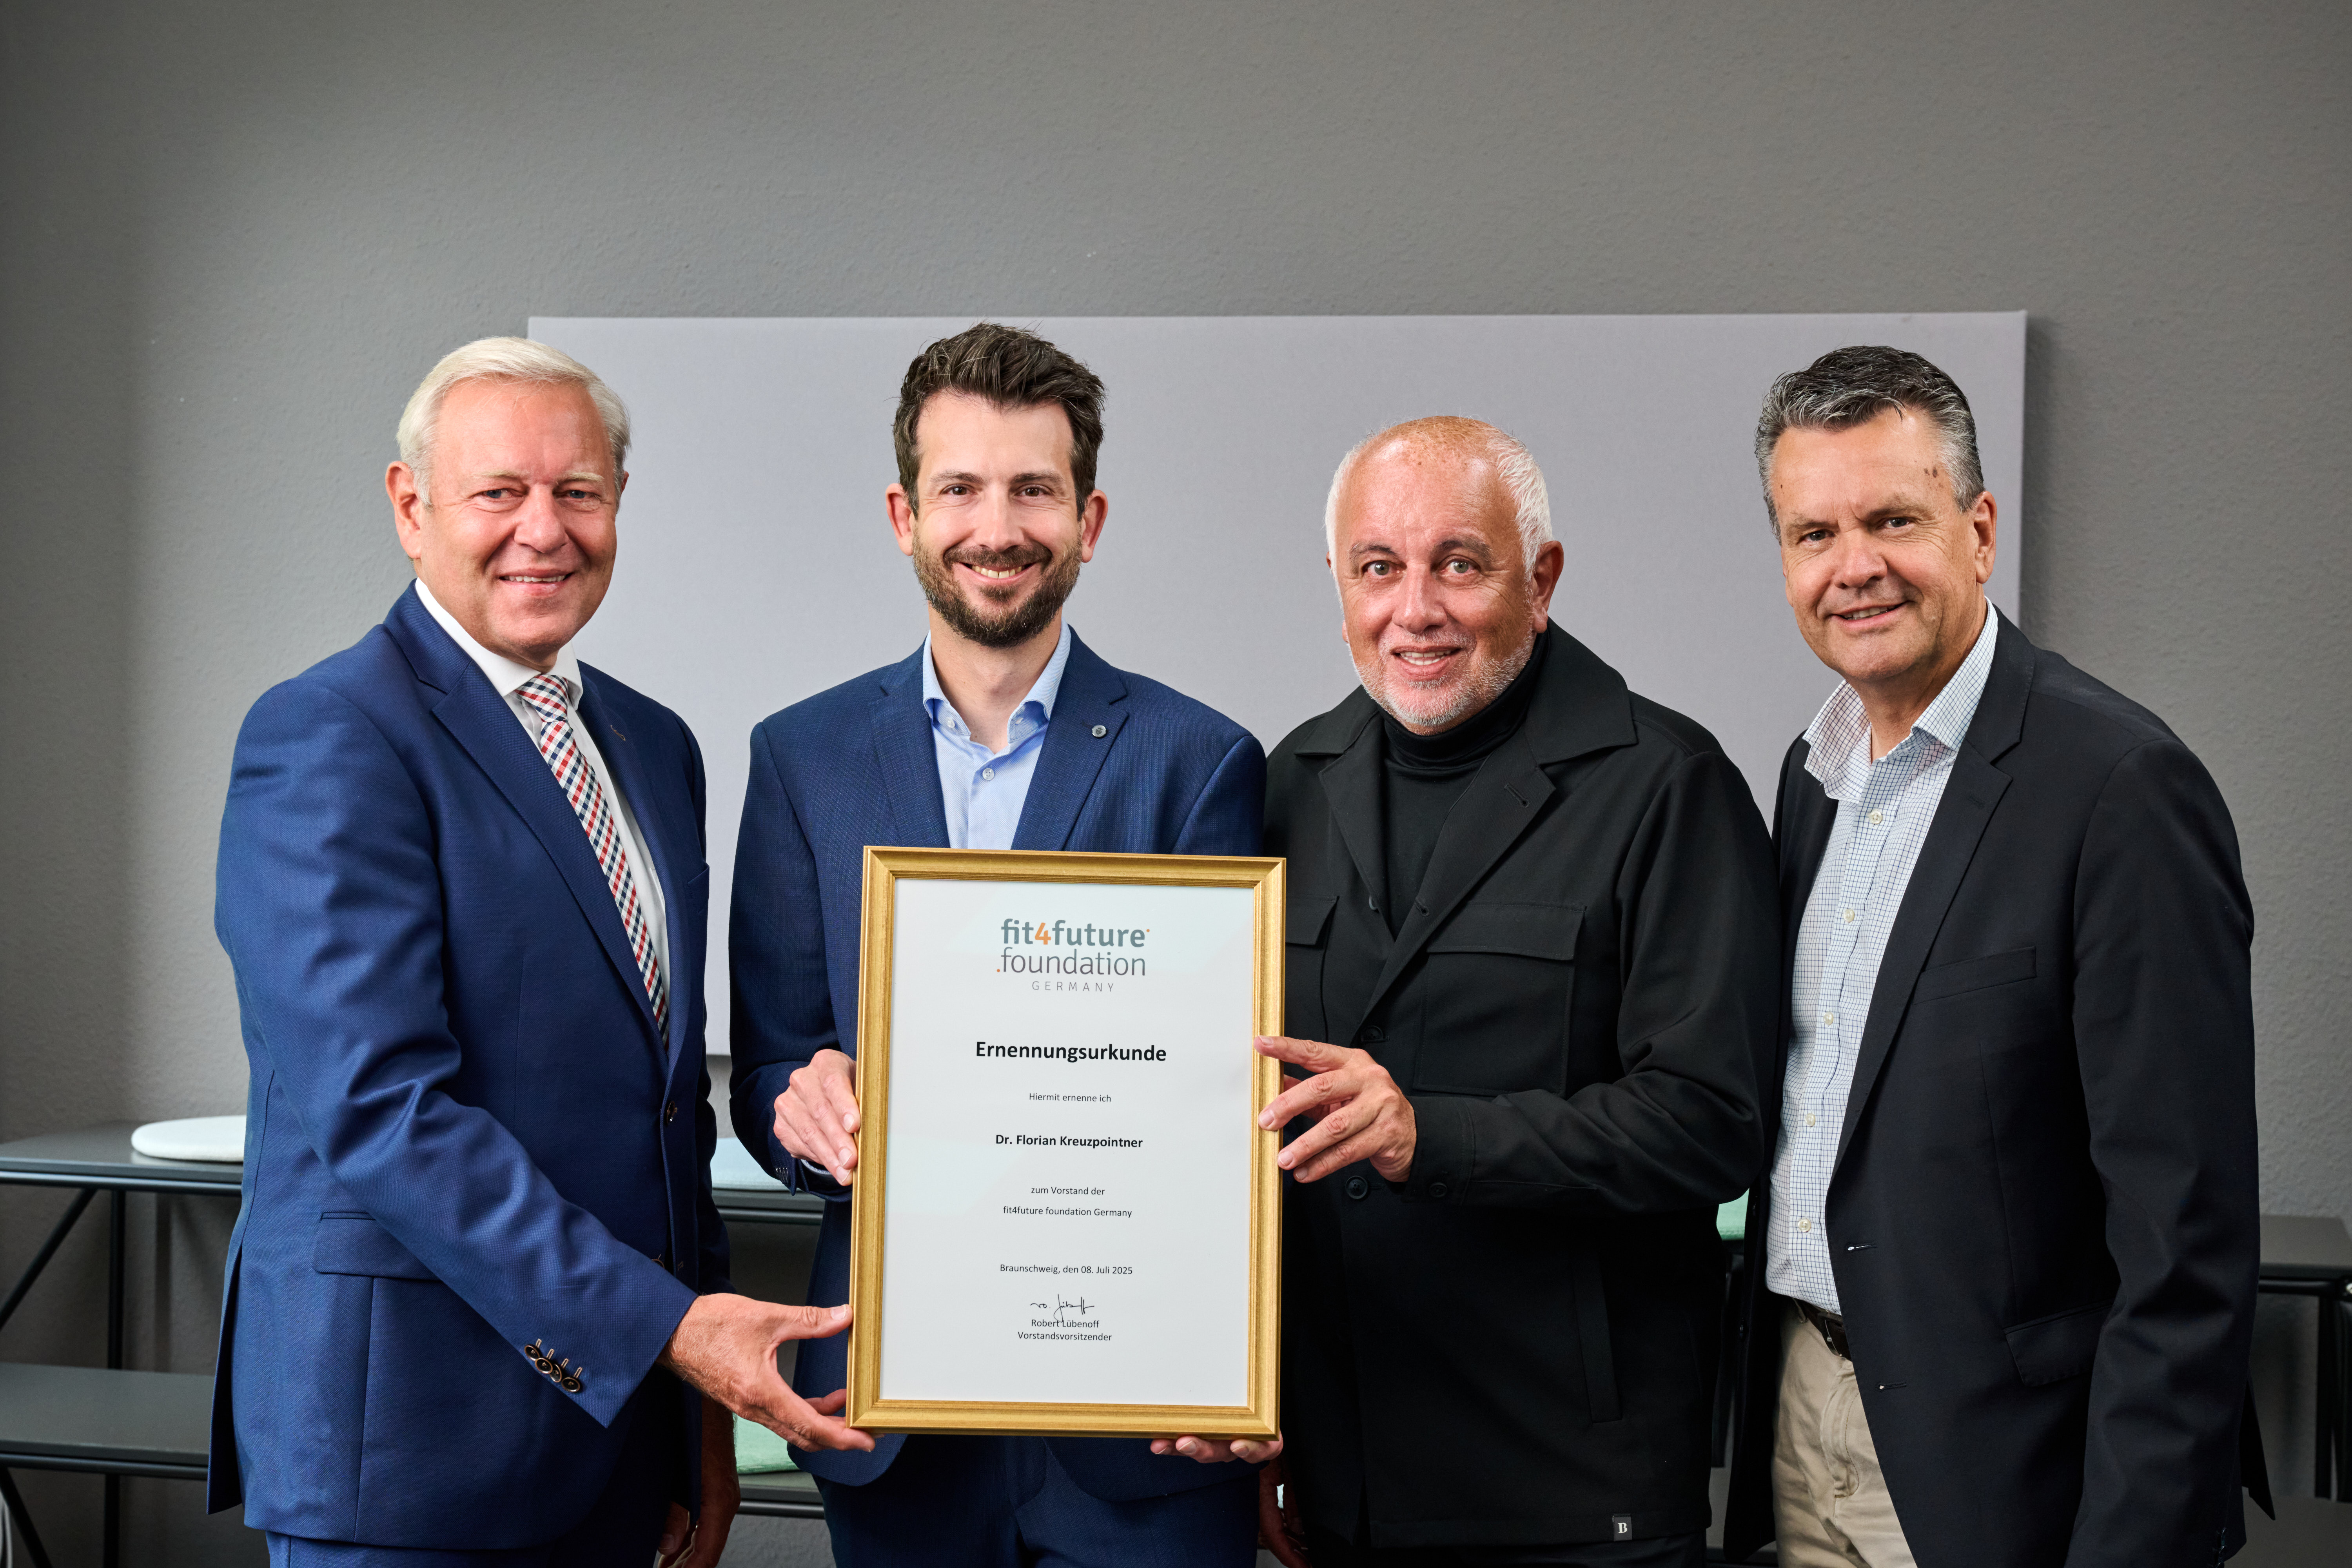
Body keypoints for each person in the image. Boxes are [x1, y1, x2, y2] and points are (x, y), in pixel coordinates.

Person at [210, 338, 869, 1568]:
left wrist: (693, 1425)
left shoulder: (652, 746)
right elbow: (385, 1112)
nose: (544, 530)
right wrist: (670, 1333)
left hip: (617, 1444)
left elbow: (665, 1116)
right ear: (411, 508)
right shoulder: (330, 734)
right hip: (411, 1455)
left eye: (579, 492)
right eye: (498, 492)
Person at [729, 322, 1268, 1565]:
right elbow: (768, 1071)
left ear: (1089, 518)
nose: (998, 526)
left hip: (1144, 1414)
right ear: (904, 515)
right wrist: (802, 1112)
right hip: (890, 1409)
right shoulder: (802, 759)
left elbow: (1221, 1112)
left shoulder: (1200, 761)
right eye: (960, 488)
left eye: (1034, 489)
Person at [1723, 346, 2265, 1567]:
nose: (1853, 567)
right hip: (1804, 1418)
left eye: (1892, 521)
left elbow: (2185, 1239)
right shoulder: (1812, 779)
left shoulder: (2122, 789)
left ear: (1978, 532)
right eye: (1814, 534)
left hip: (2004, 1469)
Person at [1255, 416, 1778, 1566]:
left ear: (1540, 580)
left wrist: (1428, 1136)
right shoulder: (1288, 784)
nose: (1416, 609)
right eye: (1378, 568)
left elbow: (1712, 1124)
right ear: (1339, 585)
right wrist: (1252, 1407)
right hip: (1348, 1482)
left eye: (1460, 564)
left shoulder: (1668, 787)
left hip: (1572, 1495)